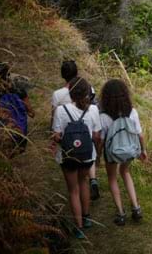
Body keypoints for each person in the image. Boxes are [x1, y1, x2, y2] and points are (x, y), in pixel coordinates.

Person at [52, 77, 102, 239]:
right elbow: (96, 135)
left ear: (70, 93)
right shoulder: (93, 110)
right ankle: (86, 217)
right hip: (87, 155)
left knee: (73, 191)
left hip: (68, 156)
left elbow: (57, 136)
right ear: (88, 93)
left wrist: (62, 139)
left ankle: (78, 227)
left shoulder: (61, 110)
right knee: (84, 183)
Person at [99, 79, 147, 226]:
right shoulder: (132, 112)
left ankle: (120, 213)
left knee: (112, 177)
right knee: (125, 172)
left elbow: (101, 139)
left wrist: (97, 156)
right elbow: (139, 134)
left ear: (106, 97)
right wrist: (143, 150)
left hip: (112, 153)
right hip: (130, 149)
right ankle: (136, 208)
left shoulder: (104, 117)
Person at [51, 60, 101, 201]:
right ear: (77, 72)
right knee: (87, 147)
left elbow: (54, 115)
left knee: (73, 186)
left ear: (62, 75)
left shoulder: (58, 94)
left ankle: (79, 217)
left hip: (67, 138)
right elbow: (93, 107)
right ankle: (93, 179)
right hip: (86, 130)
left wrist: (53, 133)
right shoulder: (88, 88)